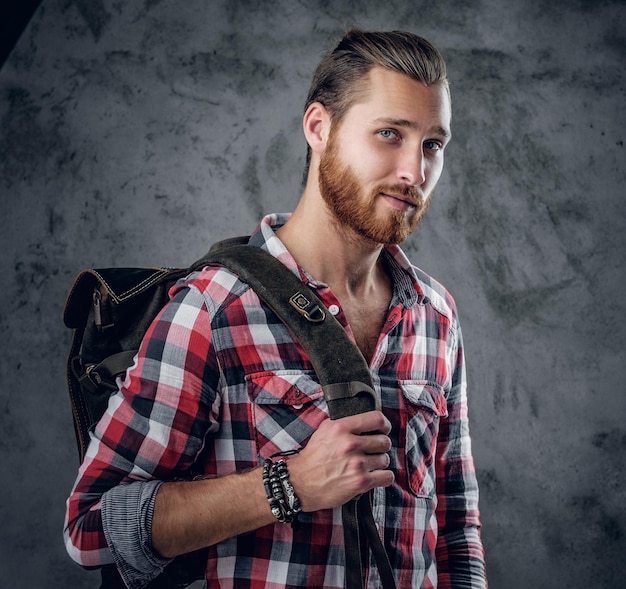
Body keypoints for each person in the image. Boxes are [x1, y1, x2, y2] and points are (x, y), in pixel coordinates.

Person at [64, 29, 487, 589]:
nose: (415, 172)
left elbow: (456, 526)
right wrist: (289, 485)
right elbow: (90, 528)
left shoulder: (435, 315)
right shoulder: (215, 307)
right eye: (390, 134)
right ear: (319, 127)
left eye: (433, 144)